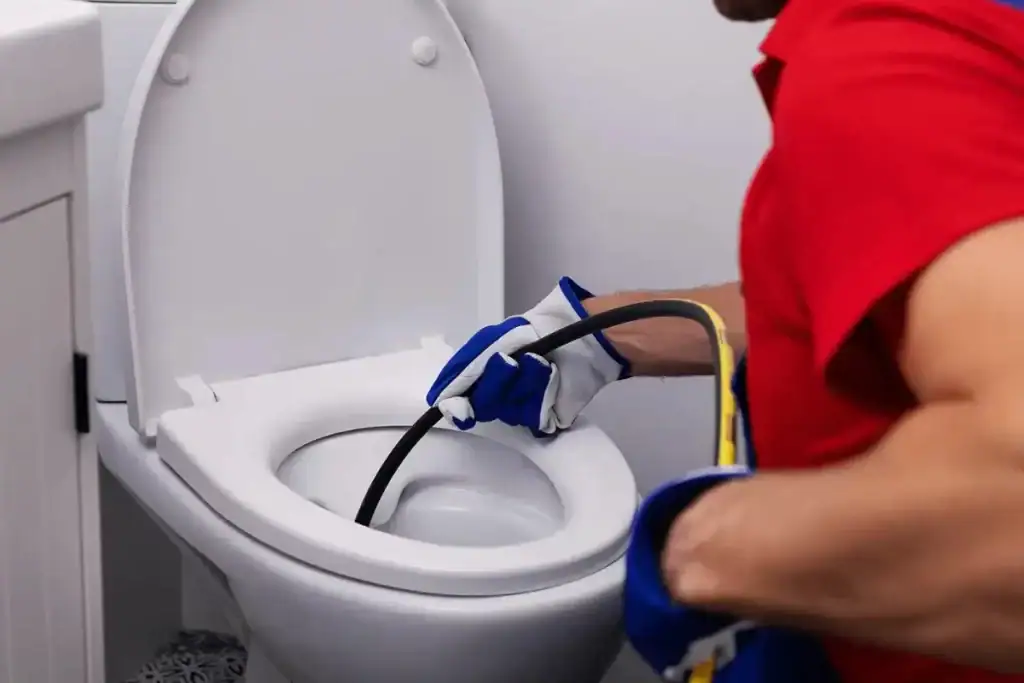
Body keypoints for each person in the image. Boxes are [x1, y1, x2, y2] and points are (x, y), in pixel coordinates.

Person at [424, 0, 1024, 679]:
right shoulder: (973, 29)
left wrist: (705, 549)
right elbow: (879, 290)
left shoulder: (882, 69)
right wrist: (604, 332)